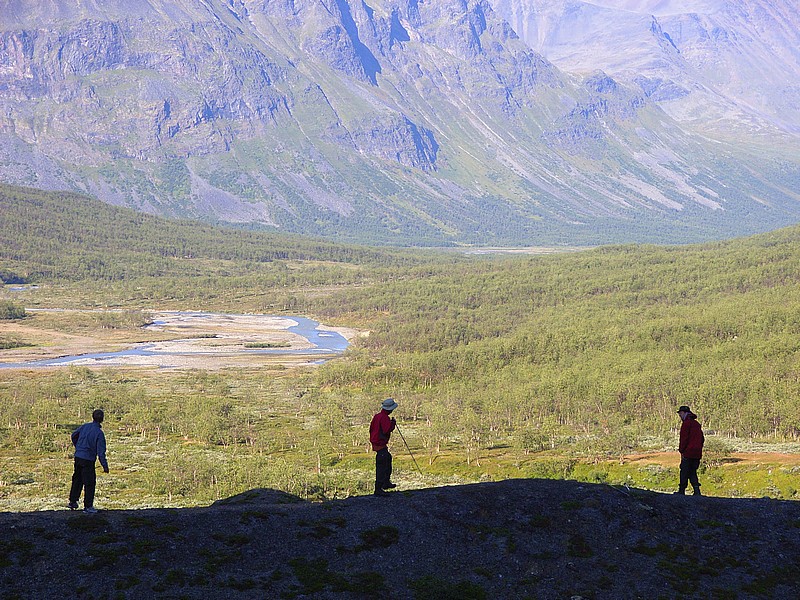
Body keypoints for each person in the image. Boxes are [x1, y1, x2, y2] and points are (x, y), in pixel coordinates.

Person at [68, 409, 109, 513]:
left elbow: (73, 435)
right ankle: (88, 506)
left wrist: (78, 446)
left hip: (78, 457)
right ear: (102, 419)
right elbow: (101, 452)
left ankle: (73, 501)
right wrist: (105, 466)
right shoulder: (99, 433)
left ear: (93, 417)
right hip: (88, 459)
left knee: (77, 479)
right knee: (89, 483)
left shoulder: (85, 426)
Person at [370, 398, 398, 497]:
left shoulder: (377, 416)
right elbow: (387, 430)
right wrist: (393, 423)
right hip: (380, 444)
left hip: (377, 443)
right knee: (382, 466)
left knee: (387, 459)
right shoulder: (384, 418)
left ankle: (385, 483)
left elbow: (371, 429)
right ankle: (379, 488)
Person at [675, 405, 704, 496]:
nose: (680, 416)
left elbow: (684, 439)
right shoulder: (697, 424)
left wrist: (681, 450)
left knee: (684, 470)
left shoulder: (686, 424)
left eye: (680, 414)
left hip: (688, 452)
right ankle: (696, 490)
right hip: (697, 453)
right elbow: (702, 439)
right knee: (692, 471)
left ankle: (681, 490)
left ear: (684, 413)